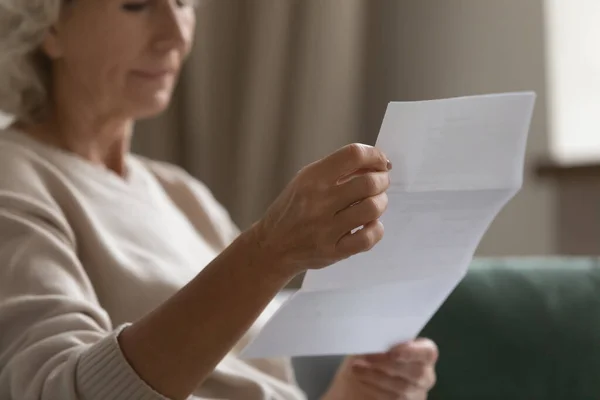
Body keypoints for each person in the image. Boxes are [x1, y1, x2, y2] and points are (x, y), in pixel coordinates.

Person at [0, 1, 438, 399]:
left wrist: (353, 392)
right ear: (50, 26)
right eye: (136, 5)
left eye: (183, 3)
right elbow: (58, 391)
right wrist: (267, 252)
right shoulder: (14, 178)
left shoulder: (182, 194)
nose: (175, 34)